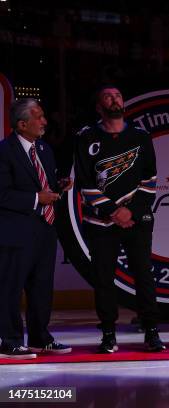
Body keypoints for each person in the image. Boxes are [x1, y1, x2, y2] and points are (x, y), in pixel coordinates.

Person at [74, 85, 165, 353]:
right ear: (99, 107)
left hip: (137, 221)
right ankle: (109, 334)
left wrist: (132, 212)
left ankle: (151, 331)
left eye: (118, 96)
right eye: (108, 97)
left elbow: (150, 178)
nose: (115, 99)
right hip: (101, 224)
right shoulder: (86, 137)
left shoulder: (140, 136)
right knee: (103, 279)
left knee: (144, 276)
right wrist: (113, 211)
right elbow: (85, 182)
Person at [0, 99, 72, 359]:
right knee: (10, 287)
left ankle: (41, 337)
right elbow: (3, 194)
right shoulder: (4, 151)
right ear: (22, 124)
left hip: (44, 229)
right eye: (39, 117)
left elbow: (46, 186)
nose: (44, 121)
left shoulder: (43, 148)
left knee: (42, 287)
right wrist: (35, 199)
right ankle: (9, 340)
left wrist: (58, 186)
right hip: (15, 232)